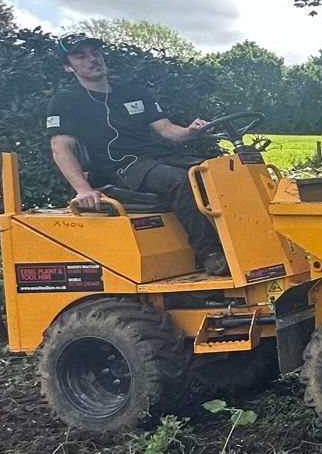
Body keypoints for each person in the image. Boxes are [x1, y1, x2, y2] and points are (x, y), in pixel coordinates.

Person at [44, 33, 228, 274]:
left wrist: (190, 131)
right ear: (68, 67)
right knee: (179, 181)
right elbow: (61, 147)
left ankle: (242, 242)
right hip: (122, 168)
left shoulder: (133, 92)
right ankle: (211, 254)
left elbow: (167, 130)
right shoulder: (65, 101)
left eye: (95, 53)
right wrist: (83, 189)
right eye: (80, 56)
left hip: (156, 158)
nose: (91, 59)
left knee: (222, 171)